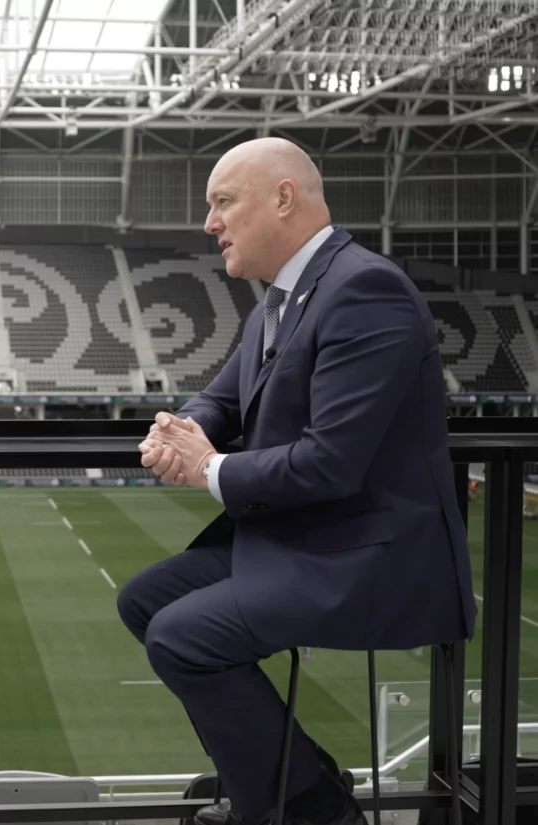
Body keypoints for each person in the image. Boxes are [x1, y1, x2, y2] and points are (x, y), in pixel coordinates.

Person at [118, 137, 475, 825]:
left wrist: (209, 467)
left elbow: (329, 461)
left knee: (182, 636)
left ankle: (307, 807)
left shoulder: (364, 290)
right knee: (145, 602)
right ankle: (291, 780)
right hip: (305, 537)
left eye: (223, 202)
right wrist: (178, 429)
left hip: (369, 554)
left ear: (284, 198)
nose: (210, 223)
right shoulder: (277, 304)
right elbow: (220, 400)